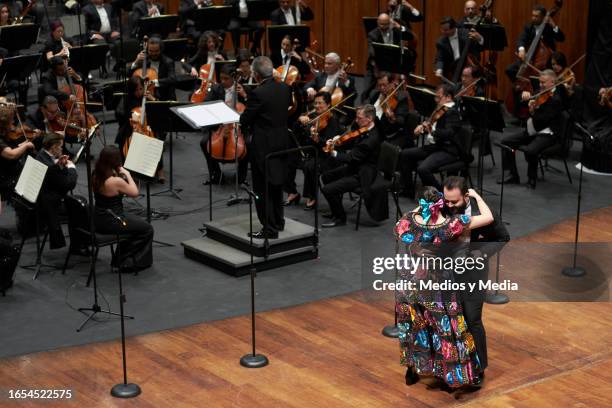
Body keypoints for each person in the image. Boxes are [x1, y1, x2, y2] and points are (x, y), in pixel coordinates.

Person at [395, 185, 493, 388]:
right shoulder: (449, 225)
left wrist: (416, 210)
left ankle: (413, 369)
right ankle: (453, 377)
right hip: (437, 286)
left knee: (415, 327)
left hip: (411, 283)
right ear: (440, 202)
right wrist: (475, 196)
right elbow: (488, 217)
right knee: (447, 331)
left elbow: (402, 225)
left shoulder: (408, 221)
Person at [443, 176, 510, 384]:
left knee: (472, 319)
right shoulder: (443, 207)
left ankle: (479, 368)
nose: (450, 205)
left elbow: (502, 237)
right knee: (451, 319)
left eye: (454, 201)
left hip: (474, 273)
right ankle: (454, 364)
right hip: (447, 273)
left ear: (465, 196)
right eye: (447, 201)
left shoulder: (483, 211)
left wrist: (480, 254)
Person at [240, 56, 291, 239]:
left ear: (255, 74)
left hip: (263, 146)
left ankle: (269, 228)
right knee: (277, 184)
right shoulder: (285, 88)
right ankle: (279, 221)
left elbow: (245, 119)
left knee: (262, 188)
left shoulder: (258, 93)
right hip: (282, 141)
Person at [320, 104, 387, 227]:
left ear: (369, 119)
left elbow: (351, 158)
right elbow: (351, 140)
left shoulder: (371, 139)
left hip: (363, 174)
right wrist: (336, 141)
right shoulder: (365, 128)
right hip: (356, 166)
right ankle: (336, 210)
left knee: (327, 190)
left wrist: (334, 153)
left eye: (359, 118)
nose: (356, 120)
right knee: (326, 177)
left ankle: (340, 218)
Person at [499, 69, 564, 188]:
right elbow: (521, 106)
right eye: (540, 82)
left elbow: (543, 120)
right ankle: (513, 175)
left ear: (552, 82)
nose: (541, 85)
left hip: (547, 133)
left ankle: (531, 179)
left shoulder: (556, 100)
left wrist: (533, 110)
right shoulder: (540, 92)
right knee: (505, 142)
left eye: (543, 82)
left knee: (531, 150)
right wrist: (524, 97)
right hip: (533, 130)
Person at [93, 146, 153, 272]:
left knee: (136, 224)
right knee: (147, 229)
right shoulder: (114, 181)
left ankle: (119, 259)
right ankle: (127, 262)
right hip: (113, 220)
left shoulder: (96, 174)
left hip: (99, 216)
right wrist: (128, 174)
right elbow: (135, 192)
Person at [399, 84, 464, 196]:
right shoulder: (441, 108)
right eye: (436, 97)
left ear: (448, 97)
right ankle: (408, 190)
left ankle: (441, 193)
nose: (436, 100)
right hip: (436, 146)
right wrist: (423, 127)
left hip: (447, 149)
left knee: (423, 169)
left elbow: (449, 133)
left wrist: (431, 131)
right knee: (404, 154)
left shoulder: (452, 112)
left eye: (438, 97)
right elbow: (433, 124)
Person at [285, 91, 341, 210]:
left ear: (328, 105)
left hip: (323, 154)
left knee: (310, 166)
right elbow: (295, 132)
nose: (317, 106)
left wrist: (317, 139)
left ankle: (312, 196)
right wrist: (299, 120)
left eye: (320, 103)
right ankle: (292, 192)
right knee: (287, 159)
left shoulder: (333, 120)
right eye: (315, 103)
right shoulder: (311, 116)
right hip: (307, 150)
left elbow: (329, 143)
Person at [200, 64, 248, 186]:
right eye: (221, 78)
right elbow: (206, 104)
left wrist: (245, 96)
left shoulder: (242, 88)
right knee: (204, 142)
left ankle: (242, 177)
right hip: (219, 126)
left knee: (249, 144)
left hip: (238, 127)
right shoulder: (216, 89)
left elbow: (253, 107)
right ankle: (216, 173)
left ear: (233, 78)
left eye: (226, 79)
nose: (223, 81)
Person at [35, 133, 77, 249]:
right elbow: (69, 184)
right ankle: (78, 246)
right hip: (51, 202)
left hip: (44, 196)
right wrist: (71, 168)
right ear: (53, 147)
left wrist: (59, 165)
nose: (62, 149)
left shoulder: (41, 154)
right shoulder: (50, 168)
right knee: (79, 208)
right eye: (60, 146)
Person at [369, 71, 413, 147]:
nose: (382, 88)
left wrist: (392, 117)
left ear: (391, 83)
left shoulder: (400, 98)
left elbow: (401, 121)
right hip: (370, 128)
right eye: (379, 85)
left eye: (384, 85)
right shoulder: (374, 93)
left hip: (385, 134)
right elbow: (366, 106)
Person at [0, 105, 34, 200]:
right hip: (4, 176)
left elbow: (9, 148)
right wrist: (26, 146)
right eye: (11, 120)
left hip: (9, 168)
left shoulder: (4, 133)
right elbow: (11, 154)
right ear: (4, 124)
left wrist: (22, 145)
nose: (13, 122)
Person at [434, 16, 483, 82]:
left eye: (446, 30)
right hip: (451, 74)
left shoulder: (466, 34)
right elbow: (440, 58)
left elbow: (478, 47)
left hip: (468, 72)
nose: (443, 32)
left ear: (454, 28)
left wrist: (480, 38)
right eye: (442, 29)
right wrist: (439, 69)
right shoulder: (441, 42)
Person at [130, 36, 176, 101]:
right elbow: (129, 75)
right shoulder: (144, 60)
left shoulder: (168, 62)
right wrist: (136, 62)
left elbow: (172, 79)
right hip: (145, 96)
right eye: (151, 51)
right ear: (147, 50)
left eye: (156, 51)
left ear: (161, 50)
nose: (153, 54)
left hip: (163, 96)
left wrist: (153, 82)